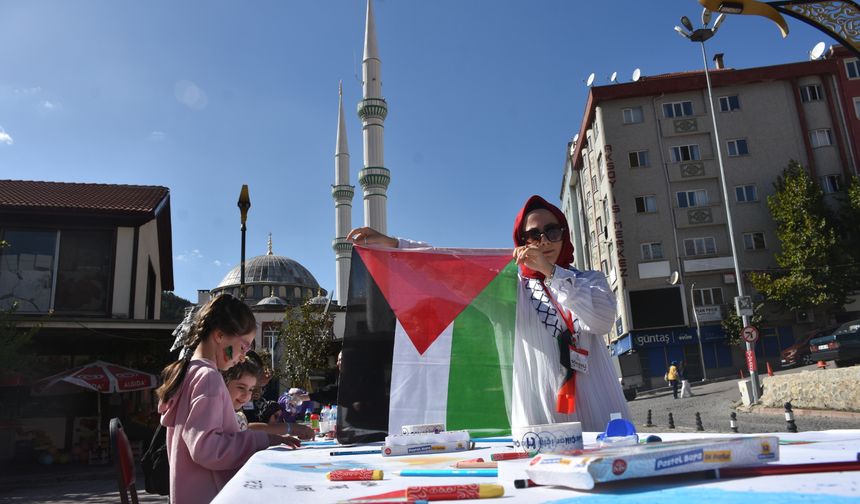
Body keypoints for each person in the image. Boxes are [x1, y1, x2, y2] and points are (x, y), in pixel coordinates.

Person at [346, 194, 630, 431]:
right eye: (534, 235)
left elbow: (602, 321)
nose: (544, 241)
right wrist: (396, 246)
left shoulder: (589, 281)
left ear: (563, 234)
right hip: (541, 411)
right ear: (522, 242)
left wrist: (552, 273)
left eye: (552, 231)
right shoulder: (509, 289)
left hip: (596, 402)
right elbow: (449, 267)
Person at [156, 294, 300, 504]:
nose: (242, 357)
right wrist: (264, 440)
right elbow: (208, 450)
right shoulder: (208, 378)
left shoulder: (189, 372)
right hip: (212, 496)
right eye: (243, 347)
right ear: (220, 335)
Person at [223, 356, 314, 440]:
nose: (246, 395)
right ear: (224, 383)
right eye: (241, 387)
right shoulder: (219, 413)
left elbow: (245, 430)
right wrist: (290, 429)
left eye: (251, 389)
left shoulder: (233, 412)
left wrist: (279, 439)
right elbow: (246, 431)